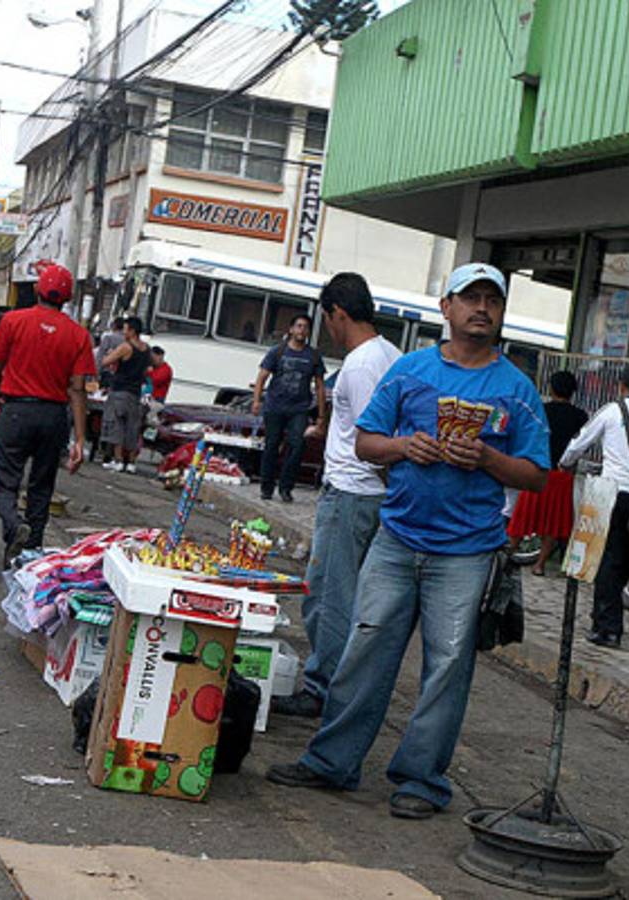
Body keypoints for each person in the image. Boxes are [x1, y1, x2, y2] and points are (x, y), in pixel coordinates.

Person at [266, 262, 549, 820]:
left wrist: (490, 459)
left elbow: (536, 474)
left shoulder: (516, 389)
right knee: (364, 649)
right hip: (397, 539)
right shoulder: (411, 371)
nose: (482, 308)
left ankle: (420, 779)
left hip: (468, 550)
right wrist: (405, 447)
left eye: (493, 299)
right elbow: (365, 441)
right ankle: (331, 762)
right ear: (446, 308)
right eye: (471, 297)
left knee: (447, 665)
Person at [271, 274, 402, 719]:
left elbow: (374, 437)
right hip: (364, 494)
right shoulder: (390, 355)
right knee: (339, 595)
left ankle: (323, 687)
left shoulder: (363, 364)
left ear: (338, 314)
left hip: (351, 493)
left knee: (328, 595)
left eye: (327, 319)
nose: (326, 328)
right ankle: (332, 683)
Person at [0, 262, 96, 567]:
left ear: (36, 289)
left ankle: (13, 525)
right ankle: (29, 550)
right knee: (41, 487)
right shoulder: (78, 336)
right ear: (68, 299)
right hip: (53, 417)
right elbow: (77, 390)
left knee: (4, 485)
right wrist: (80, 438)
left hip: (17, 410)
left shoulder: (12, 321)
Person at [559, 362, 629, 648]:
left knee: (608, 560)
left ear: (621, 385)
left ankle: (607, 628)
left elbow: (578, 443)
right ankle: (611, 617)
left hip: (612, 494)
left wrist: (565, 463)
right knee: (627, 558)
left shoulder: (612, 411)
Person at [507, 370, 588, 576]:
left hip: (538, 471)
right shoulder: (581, 416)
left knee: (522, 518)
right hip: (562, 475)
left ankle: (508, 555)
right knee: (552, 523)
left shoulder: (541, 410)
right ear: (573, 392)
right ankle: (540, 565)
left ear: (551, 388)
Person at [251, 313, 327, 502]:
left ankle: (286, 487)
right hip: (275, 406)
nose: (302, 330)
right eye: (299, 326)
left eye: (305, 327)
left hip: (299, 409)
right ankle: (266, 487)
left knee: (297, 446)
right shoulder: (277, 351)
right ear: (291, 329)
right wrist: (256, 400)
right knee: (271, 446)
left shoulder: (314, 356)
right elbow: (262, 377)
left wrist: (321, 415)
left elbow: (319, 386)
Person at [100, 316, 150, 474]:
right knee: (132, 428)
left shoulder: (125, 347)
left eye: (126, 329)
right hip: (136, 393)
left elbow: (105, 361)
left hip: (120, 390)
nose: (124, 332)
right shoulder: (146, 348)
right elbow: (150, 367)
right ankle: (131, 463)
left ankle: (118, 460)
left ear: (132, 331)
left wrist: (110, 355)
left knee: (117, 426)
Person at [95, 316, 125, 386]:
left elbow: (100, 356)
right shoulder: (127, 340)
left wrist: (96, 372)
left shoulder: (108, 338)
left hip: (107, 372)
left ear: (114, 326)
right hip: (122, 375)